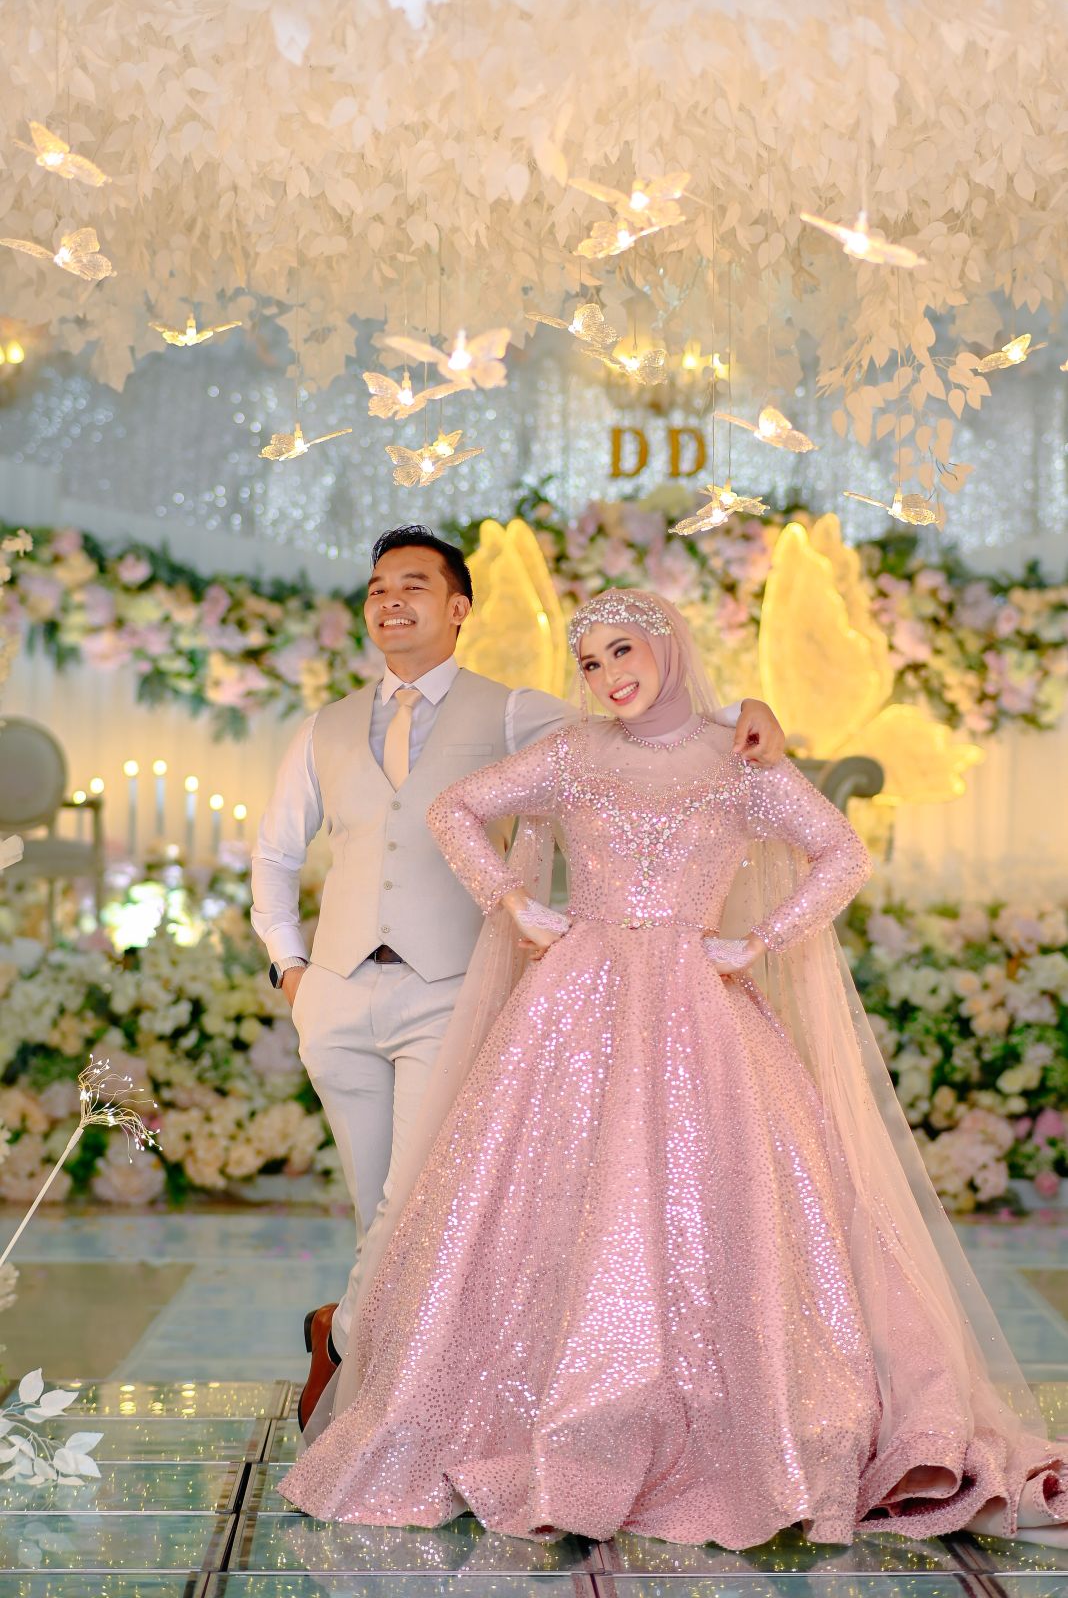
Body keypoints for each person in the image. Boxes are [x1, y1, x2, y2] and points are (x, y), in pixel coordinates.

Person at [279, 587, 1068, 1549]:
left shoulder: (740, 757)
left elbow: (841, 853)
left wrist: (760, 940)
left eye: (624, 650)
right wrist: (513, 903)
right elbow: (456, 809)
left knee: (714, 1198)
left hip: (703, 1008)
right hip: (578, 1004)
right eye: (592, 662)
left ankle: (724, 1416)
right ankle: (547, 1404)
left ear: (667, 646)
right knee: (548, 1197)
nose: (609, 675)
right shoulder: (572, 752)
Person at [250, 531, 786, 1428]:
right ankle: (369, 1358)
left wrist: (745, 709)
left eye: (413, 586)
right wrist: (290, 967)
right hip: (334, 993)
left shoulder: (512, 713)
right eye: (377, 588)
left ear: (457, 608)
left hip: (449, 992)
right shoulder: (322, 726)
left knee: (413, 1201)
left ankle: (351, 1355)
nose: (390, 601)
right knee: (374, 1201)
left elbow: (643, 720)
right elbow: (273, 852)